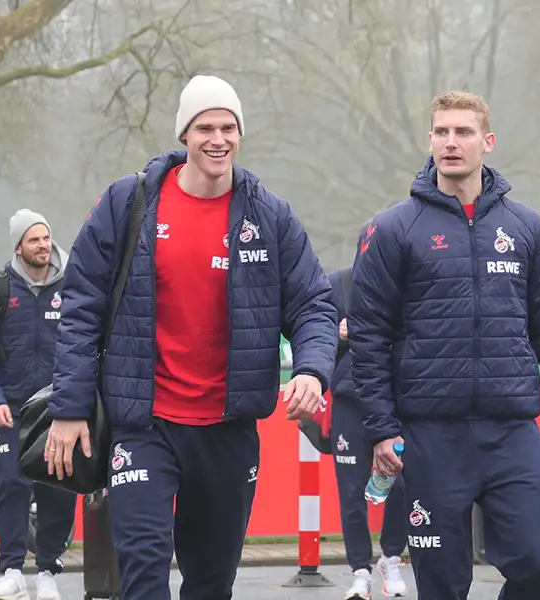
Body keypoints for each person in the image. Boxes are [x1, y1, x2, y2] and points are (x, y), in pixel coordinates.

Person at [43, 74, 340, 600]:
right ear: (185, 133)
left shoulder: (268, 215)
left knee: (209, 582)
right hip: (143, 425)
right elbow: (81, 306)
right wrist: (68, 408)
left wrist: (313, 370)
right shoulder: (128, 202)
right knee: (143, 566)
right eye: (206, 127)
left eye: (229, 127)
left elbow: (314, 304)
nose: (218, 139)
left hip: (228, 431)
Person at [348, 91, 540, 600]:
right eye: (441, 131)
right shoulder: (393, 229)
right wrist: (380, 428)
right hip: (430, 437)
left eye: (463, 132)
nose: (451, 142)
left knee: (535, 563)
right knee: (442, 585)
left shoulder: (525, 227)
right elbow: (369, 338)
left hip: (512, 433)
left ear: (487, 142)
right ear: (430, 141)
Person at [0, 209, 78, 600]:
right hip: (9, 412)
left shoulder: (74, 286)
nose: (43, 245)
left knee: (58, 488)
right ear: (19, 247)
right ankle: (11, 571)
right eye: (34, 240)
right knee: (10, 484)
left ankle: (48, 571)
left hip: (59, 411)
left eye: (46, 237)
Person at [326, 267, 408, 600]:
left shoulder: (402, 279)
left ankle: (391, 558)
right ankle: (360, 572)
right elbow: (311, 333)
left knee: (400, 483)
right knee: (351, 490)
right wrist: (338, 333)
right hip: (349, 401)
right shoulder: (337, 285)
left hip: (395, 401)